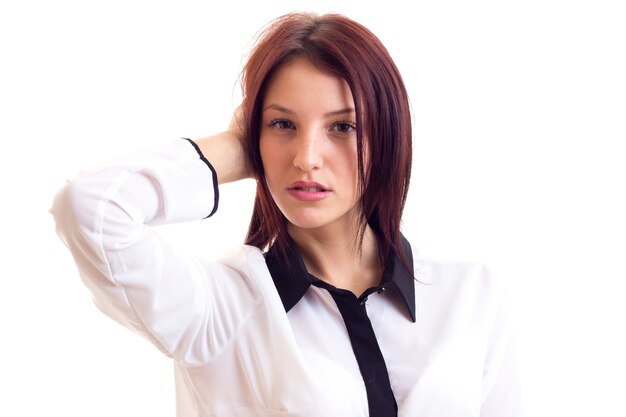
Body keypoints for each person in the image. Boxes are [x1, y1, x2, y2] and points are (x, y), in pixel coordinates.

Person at [51, 12, 522, 417]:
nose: (307, 157)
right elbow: (91, 207)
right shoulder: (220, 309)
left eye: (343, 126)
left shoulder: (472, 296)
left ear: (387, 136)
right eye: (283, 125)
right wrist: (231, 151)